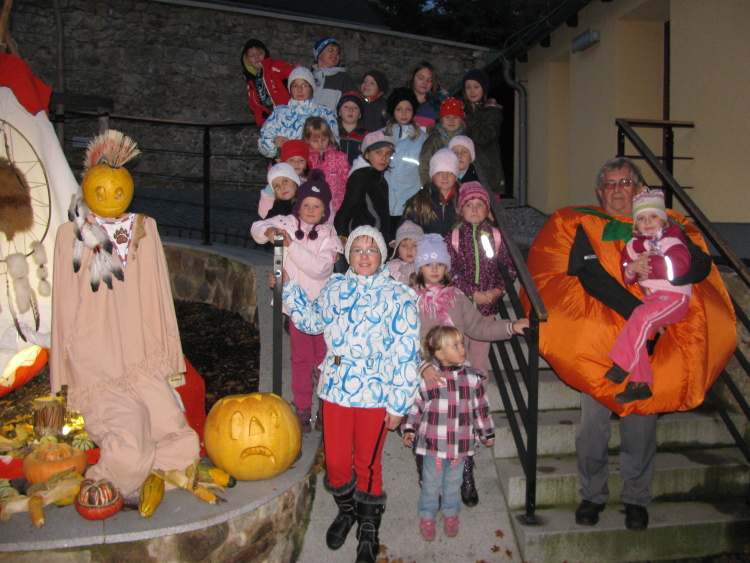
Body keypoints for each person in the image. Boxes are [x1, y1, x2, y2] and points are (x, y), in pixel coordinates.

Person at [525, 156, 731, 532]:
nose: (617, 190)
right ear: (599, 191)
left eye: (625, 183)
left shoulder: (662, 223)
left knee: (641, 424)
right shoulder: (586, 224)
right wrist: (642, 314)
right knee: (593, 428)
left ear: (637, 189)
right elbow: (590, 275)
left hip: (654, 340)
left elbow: (700, 267)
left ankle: (637, 499)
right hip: (602, 344)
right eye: (610, 184)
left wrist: (665, 271)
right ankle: (592, 495)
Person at [51, 131, 199, 499]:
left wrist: (165, 351)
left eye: (118, 190)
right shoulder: (71, 235)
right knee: (130, 447)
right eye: (101, 191)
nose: (111, 197)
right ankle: (106, 484)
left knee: (181, 441)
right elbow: (63, 305)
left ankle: (147, 476)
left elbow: (158, 295)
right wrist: (65, 367)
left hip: (139, 356)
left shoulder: (144, 229)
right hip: (97, 363)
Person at [282, 225, 420, 563]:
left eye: (371, 250)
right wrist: (290, 289)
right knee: (336, 463)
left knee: (368, 464)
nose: (364, 256)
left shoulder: (399, 296)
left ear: (382, 256)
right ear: (348, 255)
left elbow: (407, 354)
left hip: (377, 392)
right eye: (357, 249)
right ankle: (347, 510)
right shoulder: (335, 287)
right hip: (336, 389)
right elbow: (312, 322)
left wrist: (399, 403)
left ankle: (368, 528)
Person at [410, 233, 527, 507]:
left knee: (461, 423)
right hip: (424, 372)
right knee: (427, 426)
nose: (435, 269)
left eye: (440, 264)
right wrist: (422, 365)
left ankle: (465, 471)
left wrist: (511, 326)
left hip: (456, 374)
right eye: (428, 264)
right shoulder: (409, 297)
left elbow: (479, 327)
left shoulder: (457, 297)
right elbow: (402, 338)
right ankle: (428, 473)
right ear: (419, 268)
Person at [251, 170, 342, 431]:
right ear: (298, 206)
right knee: (300, 361)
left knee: (324, 361)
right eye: (306, 205)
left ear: (324, 210)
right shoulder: (288, 223)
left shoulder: (329, 234)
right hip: (295, 309)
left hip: (323, 311)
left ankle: (326, 408)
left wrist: (291, 245)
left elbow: (319, 269)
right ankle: (302, 409)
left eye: (317, 206)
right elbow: (256, 228)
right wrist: (270, 230)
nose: (311, 210)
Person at [402, 325, 495, 541]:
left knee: (454, 484)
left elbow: (480, 409)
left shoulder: (473, 379)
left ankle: (451, 514)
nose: (462, 349)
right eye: (455, 346)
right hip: (432, 445)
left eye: (462, 344)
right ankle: (427, 516)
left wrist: (487, 432)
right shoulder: (430, 379)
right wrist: (409, 428)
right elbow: (417, 405)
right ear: (440, 354)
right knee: (430, 483)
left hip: (460, 446)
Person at [606, 188, 691, 404]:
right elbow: (627, 275)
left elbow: (680, 266)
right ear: (635, 224)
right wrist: (632, 268)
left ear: (663, 220)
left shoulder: (671, 241)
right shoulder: (632, 246)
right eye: (642, 218)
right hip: (653, 300)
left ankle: (622, 364)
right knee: (636, 329)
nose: (648, 222)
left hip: (674, 297)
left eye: (653, 216)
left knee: (640, 319)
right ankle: (639, 383)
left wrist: (650, 265)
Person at [447, 182, 516, 375]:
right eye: (469, 205)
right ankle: (459, 392)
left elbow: (510, 268)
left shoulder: (496, 236)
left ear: (487, 210)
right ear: (461, 210)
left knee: (479, 360)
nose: (475, 209)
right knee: (458, 358)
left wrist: (497, 291)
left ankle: (479, 393)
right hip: (461, 308)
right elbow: (449, 271)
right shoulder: (454, 236)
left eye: (480, 204)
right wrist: (471, 293)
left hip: (486, 309)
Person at [258, 66, 338, 159]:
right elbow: (263, 144)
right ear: (290, 88)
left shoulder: (325, 113)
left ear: (312, 87)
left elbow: (335, 148)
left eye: (304, 85)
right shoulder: (279, 113)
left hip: (318, 166)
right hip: (286, 165)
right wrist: (273, 142)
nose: (299, 90)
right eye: (295, 86)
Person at [334, 131, 395, 243]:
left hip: (376, 241)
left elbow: (383, 216)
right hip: (362, 242)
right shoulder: (360, 177)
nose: (384, 158)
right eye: (378, 152)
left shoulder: (381, 179)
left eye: (388, 153)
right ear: (366, 154)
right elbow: (347, 209)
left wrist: (389, 239)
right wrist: (342, 236)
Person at [382, 87, 426, 238]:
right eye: (399, 109)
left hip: (410, 205)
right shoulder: (380, 136)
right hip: (385, 203)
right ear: (393, 111)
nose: (404, 113)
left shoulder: (422, 139)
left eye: (408, 109)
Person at [461, 68, 505, 196]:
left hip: (488, 174)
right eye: (468, 87)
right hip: (464, 171)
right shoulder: (460, 110)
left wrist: (468, 118)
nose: (472, 91)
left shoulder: (493, 112)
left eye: (476, 87)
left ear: (483, 89)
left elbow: (484, 138)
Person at [401, 148, 460, 237]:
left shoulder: (465, 199)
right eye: (439, 173)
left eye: (450, 173)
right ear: (432, 176)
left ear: (456, 177)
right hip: (427, 245)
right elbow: (405, 230)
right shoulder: (420, 200)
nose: (445, 177)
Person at [239, 39, 294, 127]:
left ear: (266, 53)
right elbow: (256, 107)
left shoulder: (277, 67)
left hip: (292, 117)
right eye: (252, 55)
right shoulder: (251, 82)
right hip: (274, 123)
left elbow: (297, 76)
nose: (257, 57)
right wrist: (263, 123)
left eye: (260, 53)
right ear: (247, 60)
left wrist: (299, 72)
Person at [303, 116, 350, 213]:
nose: (320, 144)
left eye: (324, 139)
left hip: (336, 209)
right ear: (307, 140)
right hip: (311, 210)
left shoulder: (340, 158)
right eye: (315, 141)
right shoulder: (304, 159)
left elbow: (347, 183)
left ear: (329, 137)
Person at [256, 140, 311, 219]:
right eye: (291, 160)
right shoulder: (275, 183)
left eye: (301, 160)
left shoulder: (310, 184)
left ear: (306, 163)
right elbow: (265, 214)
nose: (296, 163)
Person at [418, 97, 466, 185]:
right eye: (447, 117)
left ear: (461, 120)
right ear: (441, 119)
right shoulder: (435, 138)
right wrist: (428, 186)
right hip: (438, 184)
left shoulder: (466, 140)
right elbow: (425, 162)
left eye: (455, 117)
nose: (451, 121)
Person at [311, 37, 357, 113]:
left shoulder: (344, 78)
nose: (335, 54)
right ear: (319, 54)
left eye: (337, 51)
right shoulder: (309, 78)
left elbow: (353, 106)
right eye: (330, 50)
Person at [407, 62, 445, 129]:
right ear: (412, 78)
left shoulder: (438, 105)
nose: (425, 83)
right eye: (421, 78)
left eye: (429, 80)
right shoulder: (400, 102)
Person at [385, 220, 423, 285]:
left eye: (414, 245)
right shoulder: (390, 267)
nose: (409, 250)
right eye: (404, 245)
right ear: (397, 248)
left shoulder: (425, 266)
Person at [336, 91, 368, 166]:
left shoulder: (366, 136)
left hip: (358, 172)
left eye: (355, 108)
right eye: (346, 107)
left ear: (360, 115)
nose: (350, 110)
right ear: (339, 112)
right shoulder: (333, 133)